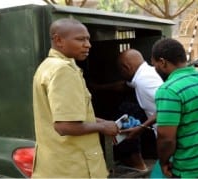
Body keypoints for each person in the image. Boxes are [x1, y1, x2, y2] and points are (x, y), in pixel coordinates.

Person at [32, 18, 119, 178]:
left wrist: (103, 122)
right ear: (58, 40)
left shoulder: (47, 66)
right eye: (80, 39)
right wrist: (103, 128)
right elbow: (65, 126)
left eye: (88, 39)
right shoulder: (63, 71)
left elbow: (75, 116)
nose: (88, 44)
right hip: (73, 168)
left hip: (56, 166)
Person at [151, 38, 198, 178]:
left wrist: (163, 163)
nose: (155, 69)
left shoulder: (169, 90)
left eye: (154, 65)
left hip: (191, 168)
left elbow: (166, 138)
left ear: (162, 62)